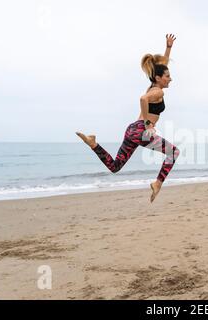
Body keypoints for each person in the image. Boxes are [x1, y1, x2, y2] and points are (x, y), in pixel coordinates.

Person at [76, 34, 180, 203]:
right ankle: (158, 184)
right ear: (159, 78)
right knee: (174, 152)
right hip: (141, 131)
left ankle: (93, 143)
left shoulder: (153, 86)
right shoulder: (158, 91)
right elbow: (142, 99)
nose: (171, 78)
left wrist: (168, 48)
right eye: (168, 76)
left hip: (132, 129)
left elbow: (161, 68)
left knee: (115, 167)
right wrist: (147, 125)